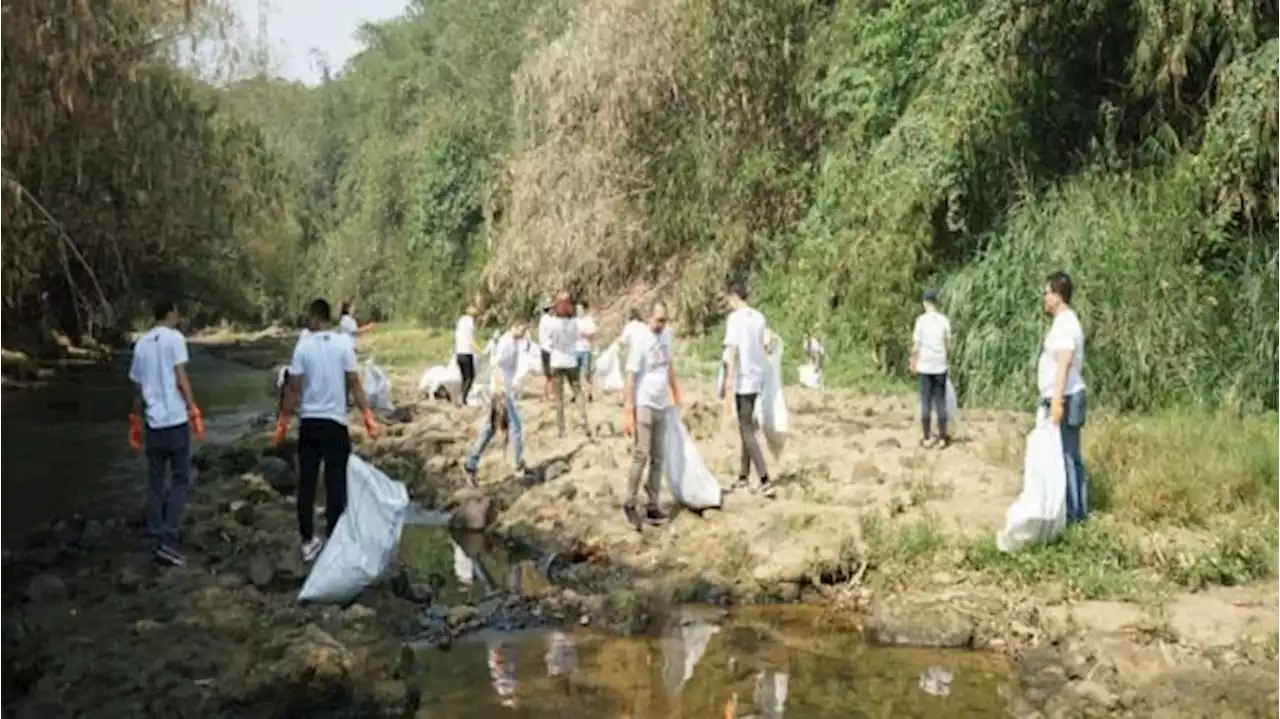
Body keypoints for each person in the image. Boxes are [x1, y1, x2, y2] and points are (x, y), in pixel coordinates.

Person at [274, 298, 382, 562]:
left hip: (311, 423)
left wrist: (283, 422)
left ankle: (308, 541)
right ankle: (334, 536)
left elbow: (294, 388)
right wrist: (367, 415)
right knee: (336, 484)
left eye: (308, 318)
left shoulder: (303, 347)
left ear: (315, 317)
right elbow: (354, 383)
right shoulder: (343, 344)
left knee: (307, 484)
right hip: (336, 423)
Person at [128, 298, 205, 567]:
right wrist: (193, 408)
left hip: (153, 423)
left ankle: (155, 534)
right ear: (171, 313)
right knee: (180, 479)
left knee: (155, 481)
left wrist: (135, 420)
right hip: (175, 420)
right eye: (177, 313)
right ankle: (169, 539)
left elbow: (137, 388)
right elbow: (180, 377)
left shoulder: (141, 343)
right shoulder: (175, 338)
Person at [622, 299, 682, 529]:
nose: (661, 325)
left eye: (664, 321)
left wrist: (676, 392)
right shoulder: (640, 340)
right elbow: (630, 375)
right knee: (641, 454)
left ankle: (652, 504)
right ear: (648, 318)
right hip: (644, 402)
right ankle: (629, 501)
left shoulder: (667, 336)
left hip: (662, 403)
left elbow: (668, 365)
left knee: (658, 457)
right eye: (658, 320)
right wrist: (629, 409)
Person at [1039, 270, 1088, 524]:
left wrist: (1056, 401)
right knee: (1070, 456)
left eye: (1046, 293)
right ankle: (1076, 510)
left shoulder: (1066, 324)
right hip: (1066, 394)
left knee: (1066, 457)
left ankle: (1073, 514)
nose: (1044, 298)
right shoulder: (1066, 322)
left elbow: (1064, 363)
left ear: (1058, 296)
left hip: (1066, 396)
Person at [721, 281, 775, 497]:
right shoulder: (759, 317)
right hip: (757, 375)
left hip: (743, 378)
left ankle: (764, 478)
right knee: (747, 423)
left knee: (745, 428)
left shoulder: (735, 320)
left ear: (734, 297)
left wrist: (728, 380)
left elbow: (732, 349)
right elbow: (767, 344)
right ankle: (743, 477)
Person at [463, 321, 530, 485]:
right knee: (516, 427)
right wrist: (499, 391)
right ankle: (518, 464)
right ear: (513, 326)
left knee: (491, 428)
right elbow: (496, 365)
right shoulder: (506, 343)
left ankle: (471, 463)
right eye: (522, 327)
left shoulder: (514, 342)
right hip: (502, 391)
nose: (524, 331)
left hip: (503, 390)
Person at [910, 289, 953, 448]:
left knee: (926, 401)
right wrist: (944, 356)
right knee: (941, 401)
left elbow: (916, 346)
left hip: (925, 365)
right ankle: (942, 437)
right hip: (939, 365)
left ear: (924, 303)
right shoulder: (944, 321)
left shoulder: (921, 321)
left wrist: (913, 361)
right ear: (936, 302)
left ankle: (927, 437)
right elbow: (948, 344)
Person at [546, 291, 591, 439]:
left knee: (559, 399)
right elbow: (585, 333)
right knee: (578, 392)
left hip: (557, 361)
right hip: (571, 360)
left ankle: (561, 429)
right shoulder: (574, 323)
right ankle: (584, 420)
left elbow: (548, 344)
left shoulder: (552, 324)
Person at [455, 303, 480, 406]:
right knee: (470, 377)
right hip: (467, 352)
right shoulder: (470, 323)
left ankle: (462, 398)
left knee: (464, 377)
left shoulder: (461, 321)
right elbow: (471, 339)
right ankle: (463, 399)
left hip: (458, 352)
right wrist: (479, 349)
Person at [574, 301, 599, 401]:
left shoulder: (589, 320)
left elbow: (593, 334)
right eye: (577, 309)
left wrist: (584, 334)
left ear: (584, 309)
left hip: (585, 349)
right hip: (575, 349)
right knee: (575, 373)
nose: (578, 311)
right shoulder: (574, 321)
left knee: (586, 373)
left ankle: (589, 393)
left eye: (580, 309)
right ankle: (575, 393)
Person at [537, 299, 555, 401]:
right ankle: (551, 394)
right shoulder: (550, 320)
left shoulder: (542, 320)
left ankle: (546, 394)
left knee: (547, 374)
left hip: (544, 348)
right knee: (551, 374)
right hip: (549, 349)